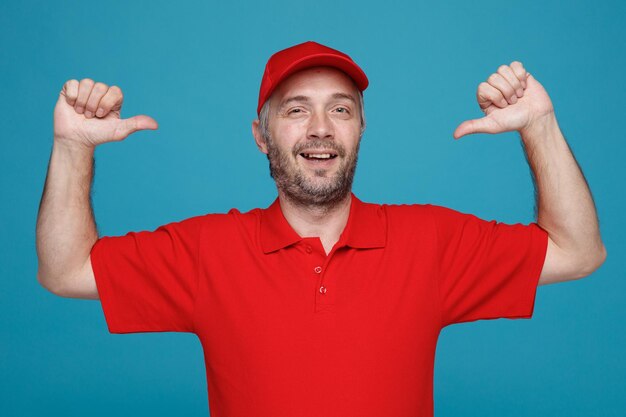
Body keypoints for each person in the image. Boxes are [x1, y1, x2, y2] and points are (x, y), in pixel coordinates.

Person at [36, 41, 606, 416]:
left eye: (340, 109)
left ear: (360, 129)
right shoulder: (207, 250)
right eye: (294, 109)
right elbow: (65, 269)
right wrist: (72, 147)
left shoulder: (430, 242)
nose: (319, 130)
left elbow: (576, 251)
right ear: (261, 135)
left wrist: (539, 125)